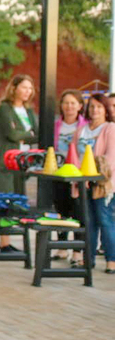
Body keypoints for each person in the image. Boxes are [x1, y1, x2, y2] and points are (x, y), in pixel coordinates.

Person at [0, 74, 38, 253]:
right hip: (2, 161)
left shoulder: (29, 112)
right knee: (4, 197)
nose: (27, 91)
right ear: (14, 88)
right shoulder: (5, 109)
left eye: (30, 88)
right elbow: (11, 134)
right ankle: (4, 241)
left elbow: (38, 134)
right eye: (24, 87)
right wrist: (28, 133)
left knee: (18, 199)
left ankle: (13, 239)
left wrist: (26, 133)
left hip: (21, 162)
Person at [68, 94, 115, 271]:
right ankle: (89, 259)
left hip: (102, 183)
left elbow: (111, 157)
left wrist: (92, 176)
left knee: (105, 220)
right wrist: (79, 177)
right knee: (88, 222)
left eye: (99, 107)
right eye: (92, 107)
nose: (95, 110)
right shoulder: (81, 130)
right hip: (81, 182)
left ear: (105, 110)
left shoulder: (110, 128)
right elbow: (73, 154)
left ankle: (112, 260)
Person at [52, 89, 86, 259]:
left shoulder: (84, 126)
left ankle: (77, 251)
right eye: (66, 103)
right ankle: (61, 247)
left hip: (77, 176)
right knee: (61, 210)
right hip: (58, 174)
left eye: (73, 103)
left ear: (80, 106)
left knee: (78, 211)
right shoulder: (56, 125)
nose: (69, 107)